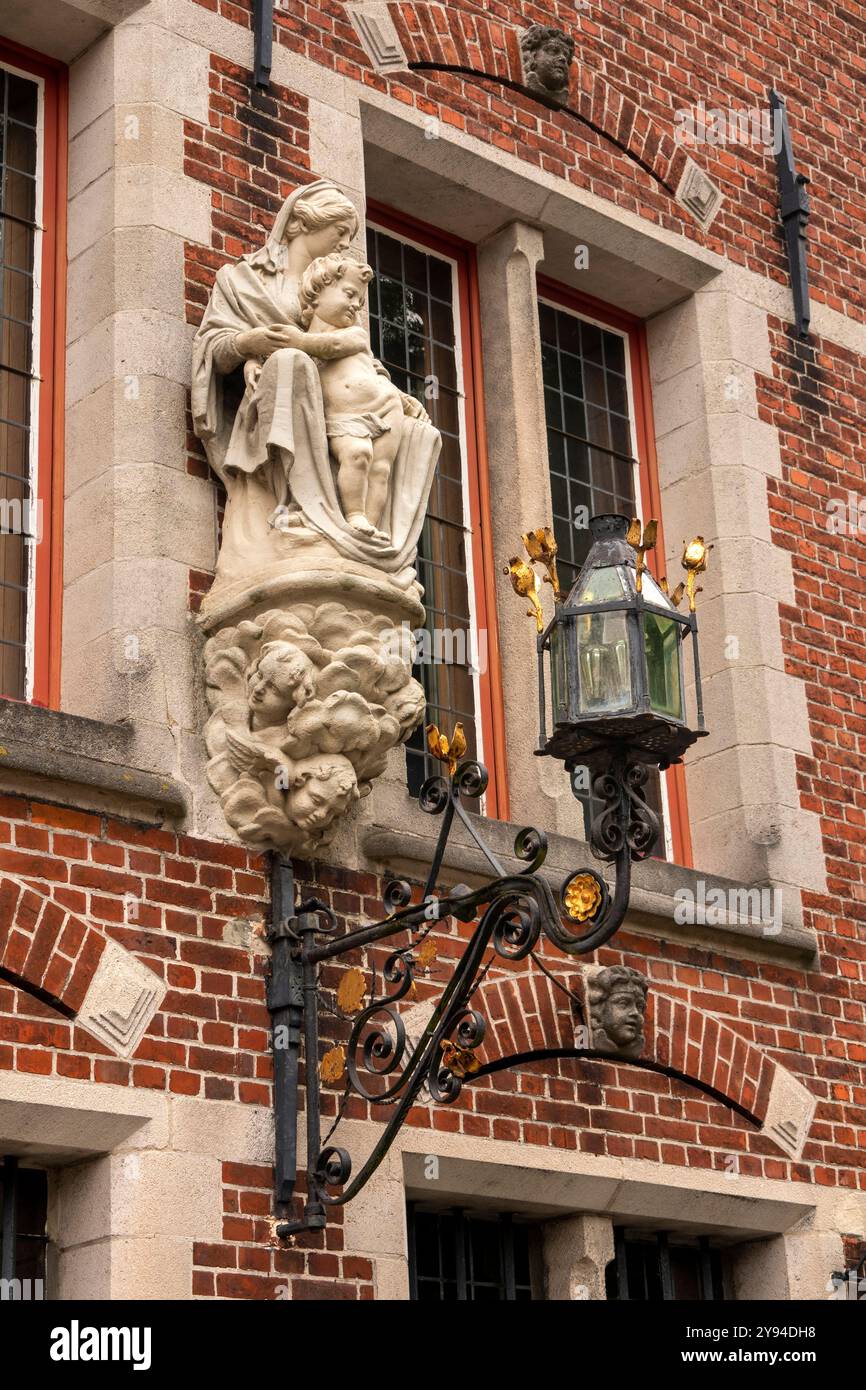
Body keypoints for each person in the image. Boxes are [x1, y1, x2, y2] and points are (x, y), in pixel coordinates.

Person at [298, 253, 428, 539]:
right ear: (317, 290)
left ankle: (371, 525)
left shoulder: (354, 336)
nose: (356, 305)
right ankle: (355, 516)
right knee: (357, 455)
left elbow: (352, 358)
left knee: (380, 470)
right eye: (349, 294)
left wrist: (401, 396)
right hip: (345, 413)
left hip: (386, 407)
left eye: (360, 301)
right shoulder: (305, 346)